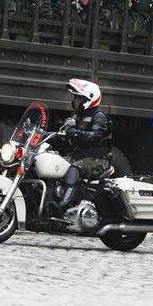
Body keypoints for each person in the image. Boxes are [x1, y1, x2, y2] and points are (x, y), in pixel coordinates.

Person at [53, 78, 112, 216]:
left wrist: (75, 132)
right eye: (76, 97)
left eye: (79, 97)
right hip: (78, 156)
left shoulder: (99, 117)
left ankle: (62, 206)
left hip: (97, 159)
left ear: (89, 98)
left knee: (74, 170)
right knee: (53, 162)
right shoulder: (77, 116)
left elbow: (94, 136)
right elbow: (63, 133)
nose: (76, 100)